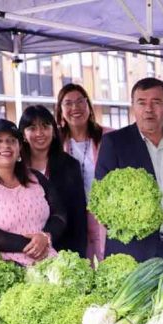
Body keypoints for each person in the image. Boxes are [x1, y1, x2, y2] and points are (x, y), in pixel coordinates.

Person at [95, 77, 163, 261]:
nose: (149, 109)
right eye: (141, 102)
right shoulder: (115, 143)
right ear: (133, 106)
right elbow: (101, 198)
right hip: (133, 252)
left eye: (156, 102)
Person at [0, 119, 66, 266]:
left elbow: (59, 214)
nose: (6, 145)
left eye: (11, 140)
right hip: (4, 271)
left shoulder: (36, 178)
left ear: (19, 146)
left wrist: (45, 237)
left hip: (50, 268)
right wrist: (33, 243)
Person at [19, 105, 88, 258]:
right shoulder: (14, 168)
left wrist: (78, 256)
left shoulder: (70, 166)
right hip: (24, 252)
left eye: (45, 126)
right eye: (32, 127)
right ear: (23, 134)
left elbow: (78, 218)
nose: (39, 133)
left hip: (63, 253)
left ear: (54, 131)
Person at [55, 83, 110, 262]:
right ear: (60, 110)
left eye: (80, 101)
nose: (75, 107)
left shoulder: (109, 137)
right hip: (72, 216)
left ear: (88, 105)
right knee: (80, 265)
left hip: (104, 214)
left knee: (108, 260)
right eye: (68, 103)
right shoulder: (54, 143)